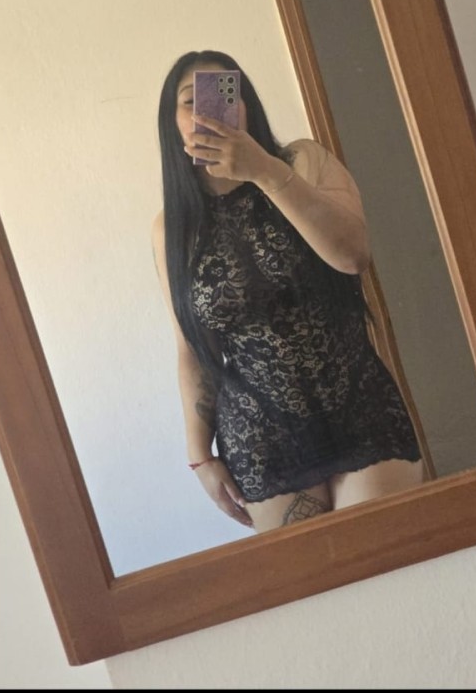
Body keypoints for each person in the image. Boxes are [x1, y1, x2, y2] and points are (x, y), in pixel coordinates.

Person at [152, 50, 425, 533]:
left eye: (225, 93)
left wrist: (263, 170)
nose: (209, 109)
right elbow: (192, 351)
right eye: (191, 100)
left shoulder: (304, 161)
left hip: (360, 408)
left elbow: (352, 255)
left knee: (391, 558)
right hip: (261, 440)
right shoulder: (173, 228)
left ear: (247, 105)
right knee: (319, 578)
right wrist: (200, 457)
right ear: (171, 123)